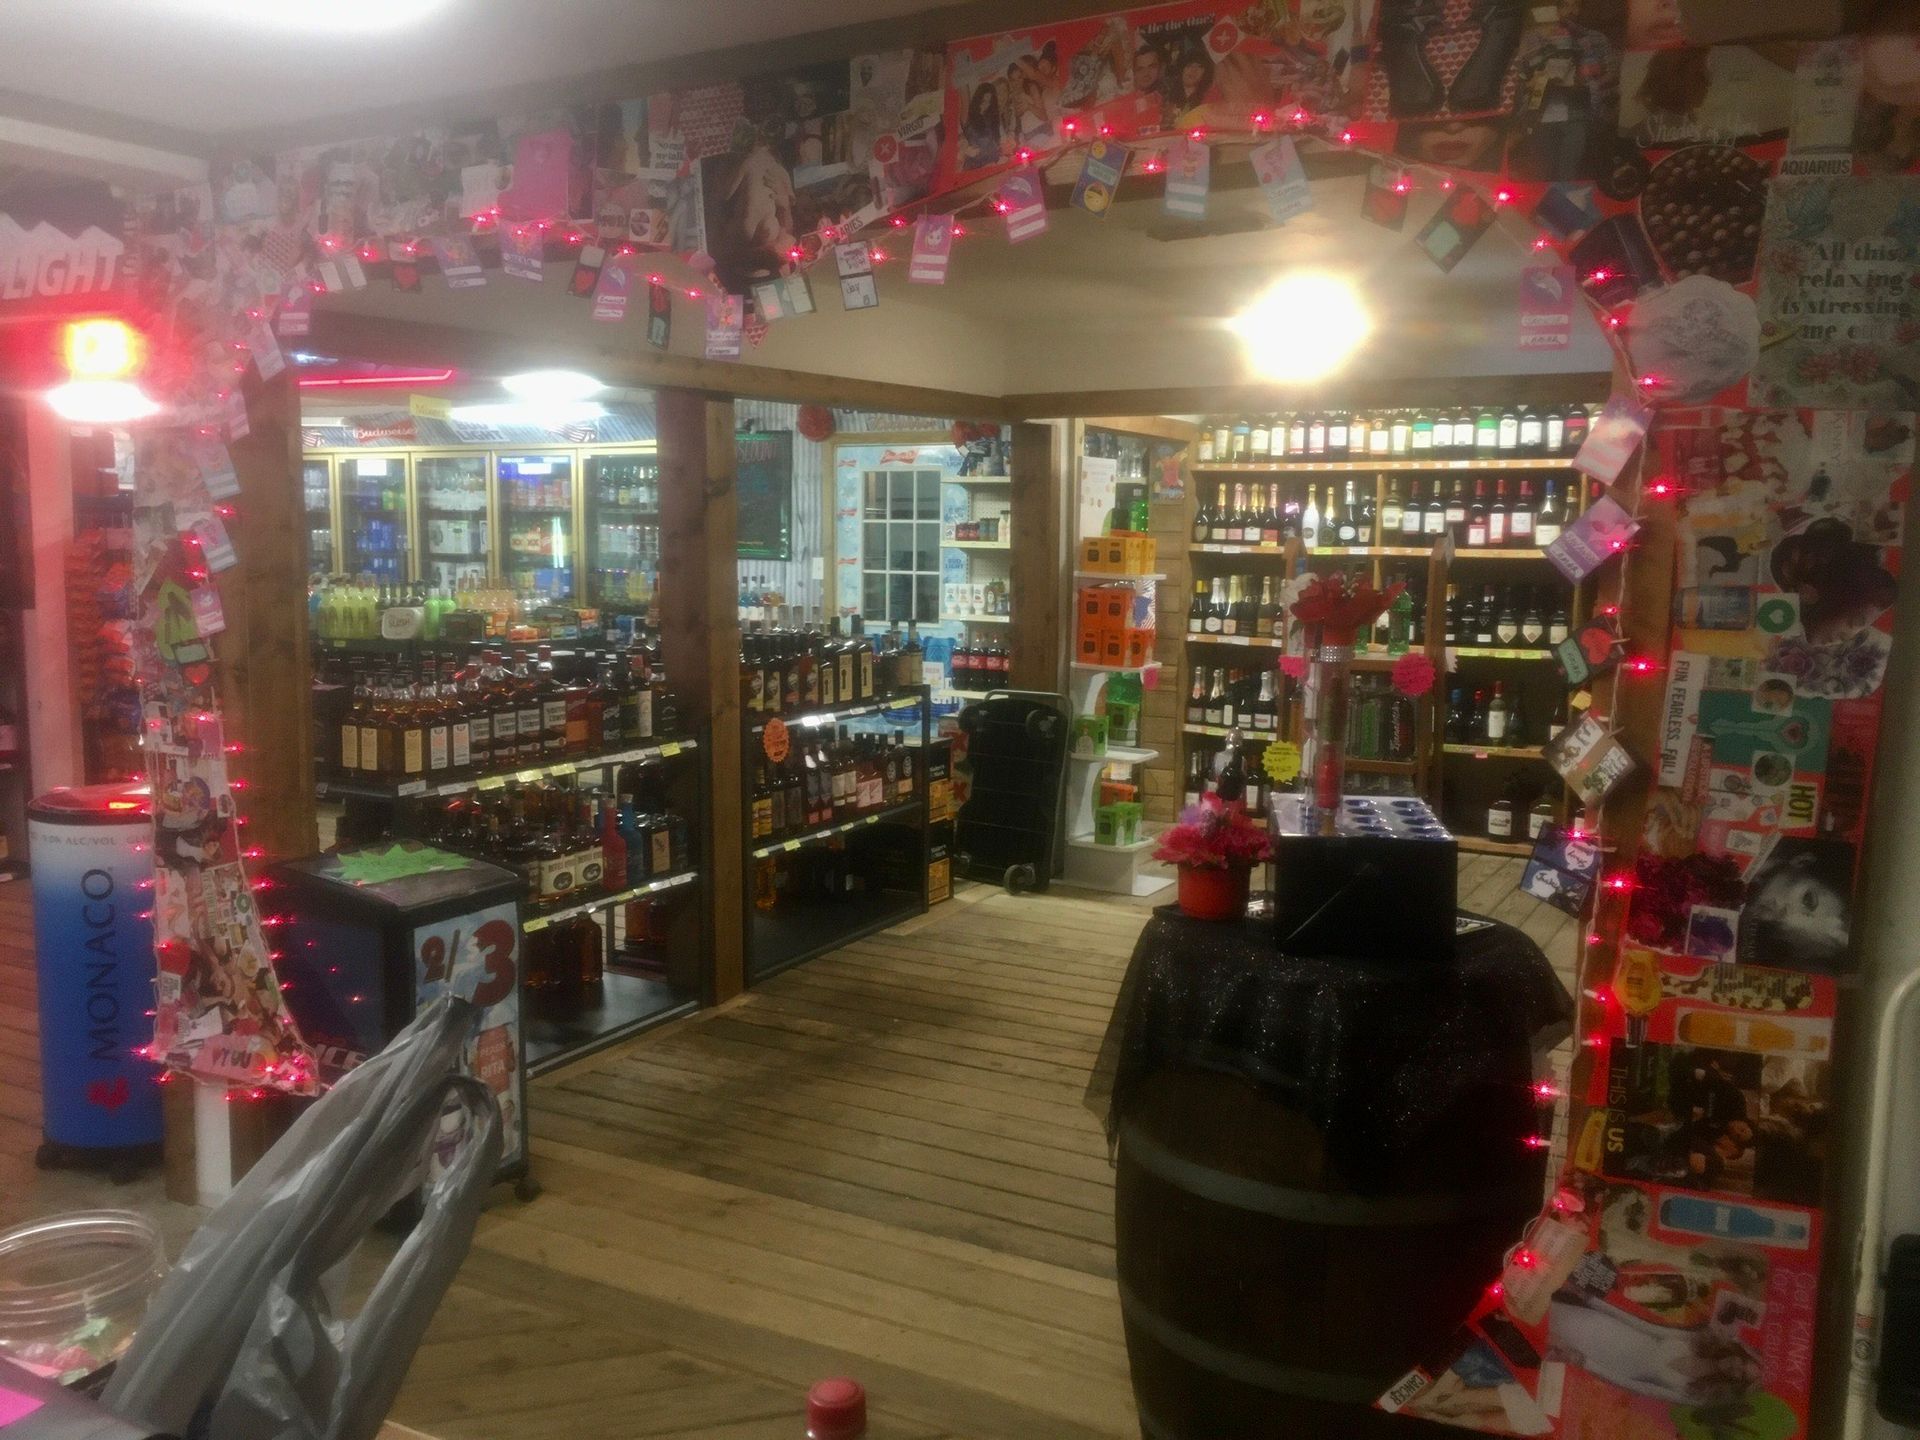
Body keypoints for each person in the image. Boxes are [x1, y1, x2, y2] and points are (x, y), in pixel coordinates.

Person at [1507, 0, 1620, 181]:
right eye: (1565, 5)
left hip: (1578, 115)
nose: (1571, 11)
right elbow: (1517, 77)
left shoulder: (1592, 38)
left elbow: (1612, 74)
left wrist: (1586, 83)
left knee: (1569, 174)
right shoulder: (1531, 37)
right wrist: (1538, 76)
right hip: (1539, 118)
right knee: (1542, 177)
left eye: (1575, 5)